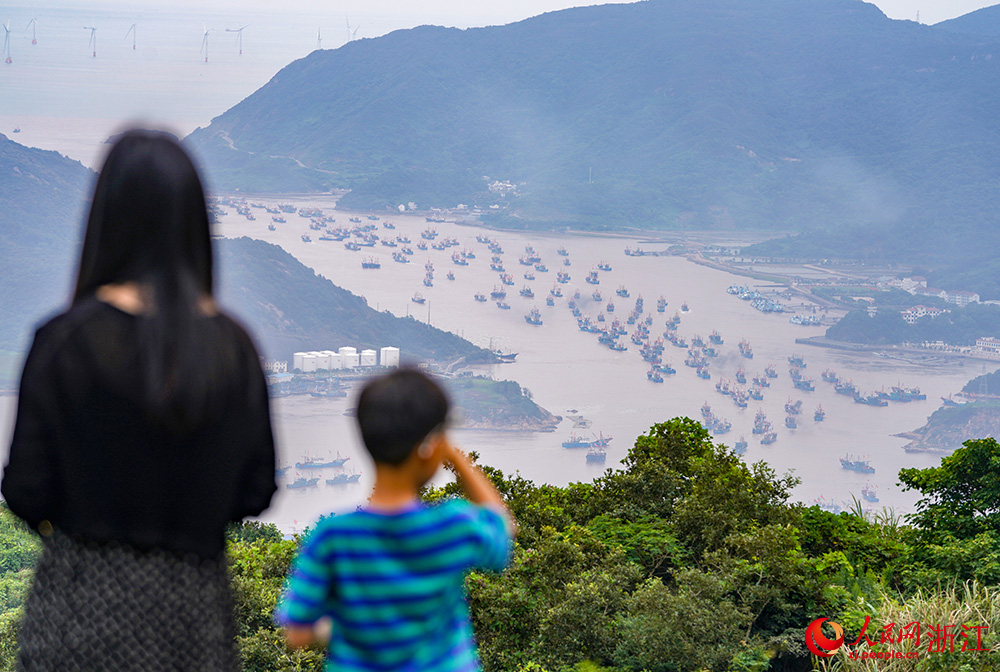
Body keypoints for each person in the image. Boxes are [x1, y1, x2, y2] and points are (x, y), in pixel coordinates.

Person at [1, 130, 277, 672]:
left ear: (105, 220)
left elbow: (26, 489)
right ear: (196, 223)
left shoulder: (64, 340)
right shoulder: (232, 348)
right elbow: (255, 489)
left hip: (77, 612)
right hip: (194, 618)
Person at [276, 368, 515, 671]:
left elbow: (297, 633)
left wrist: (350, 625)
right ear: (430, 449)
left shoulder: (332, 536)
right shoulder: (452, 525)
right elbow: (502, 532)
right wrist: (456, 458)